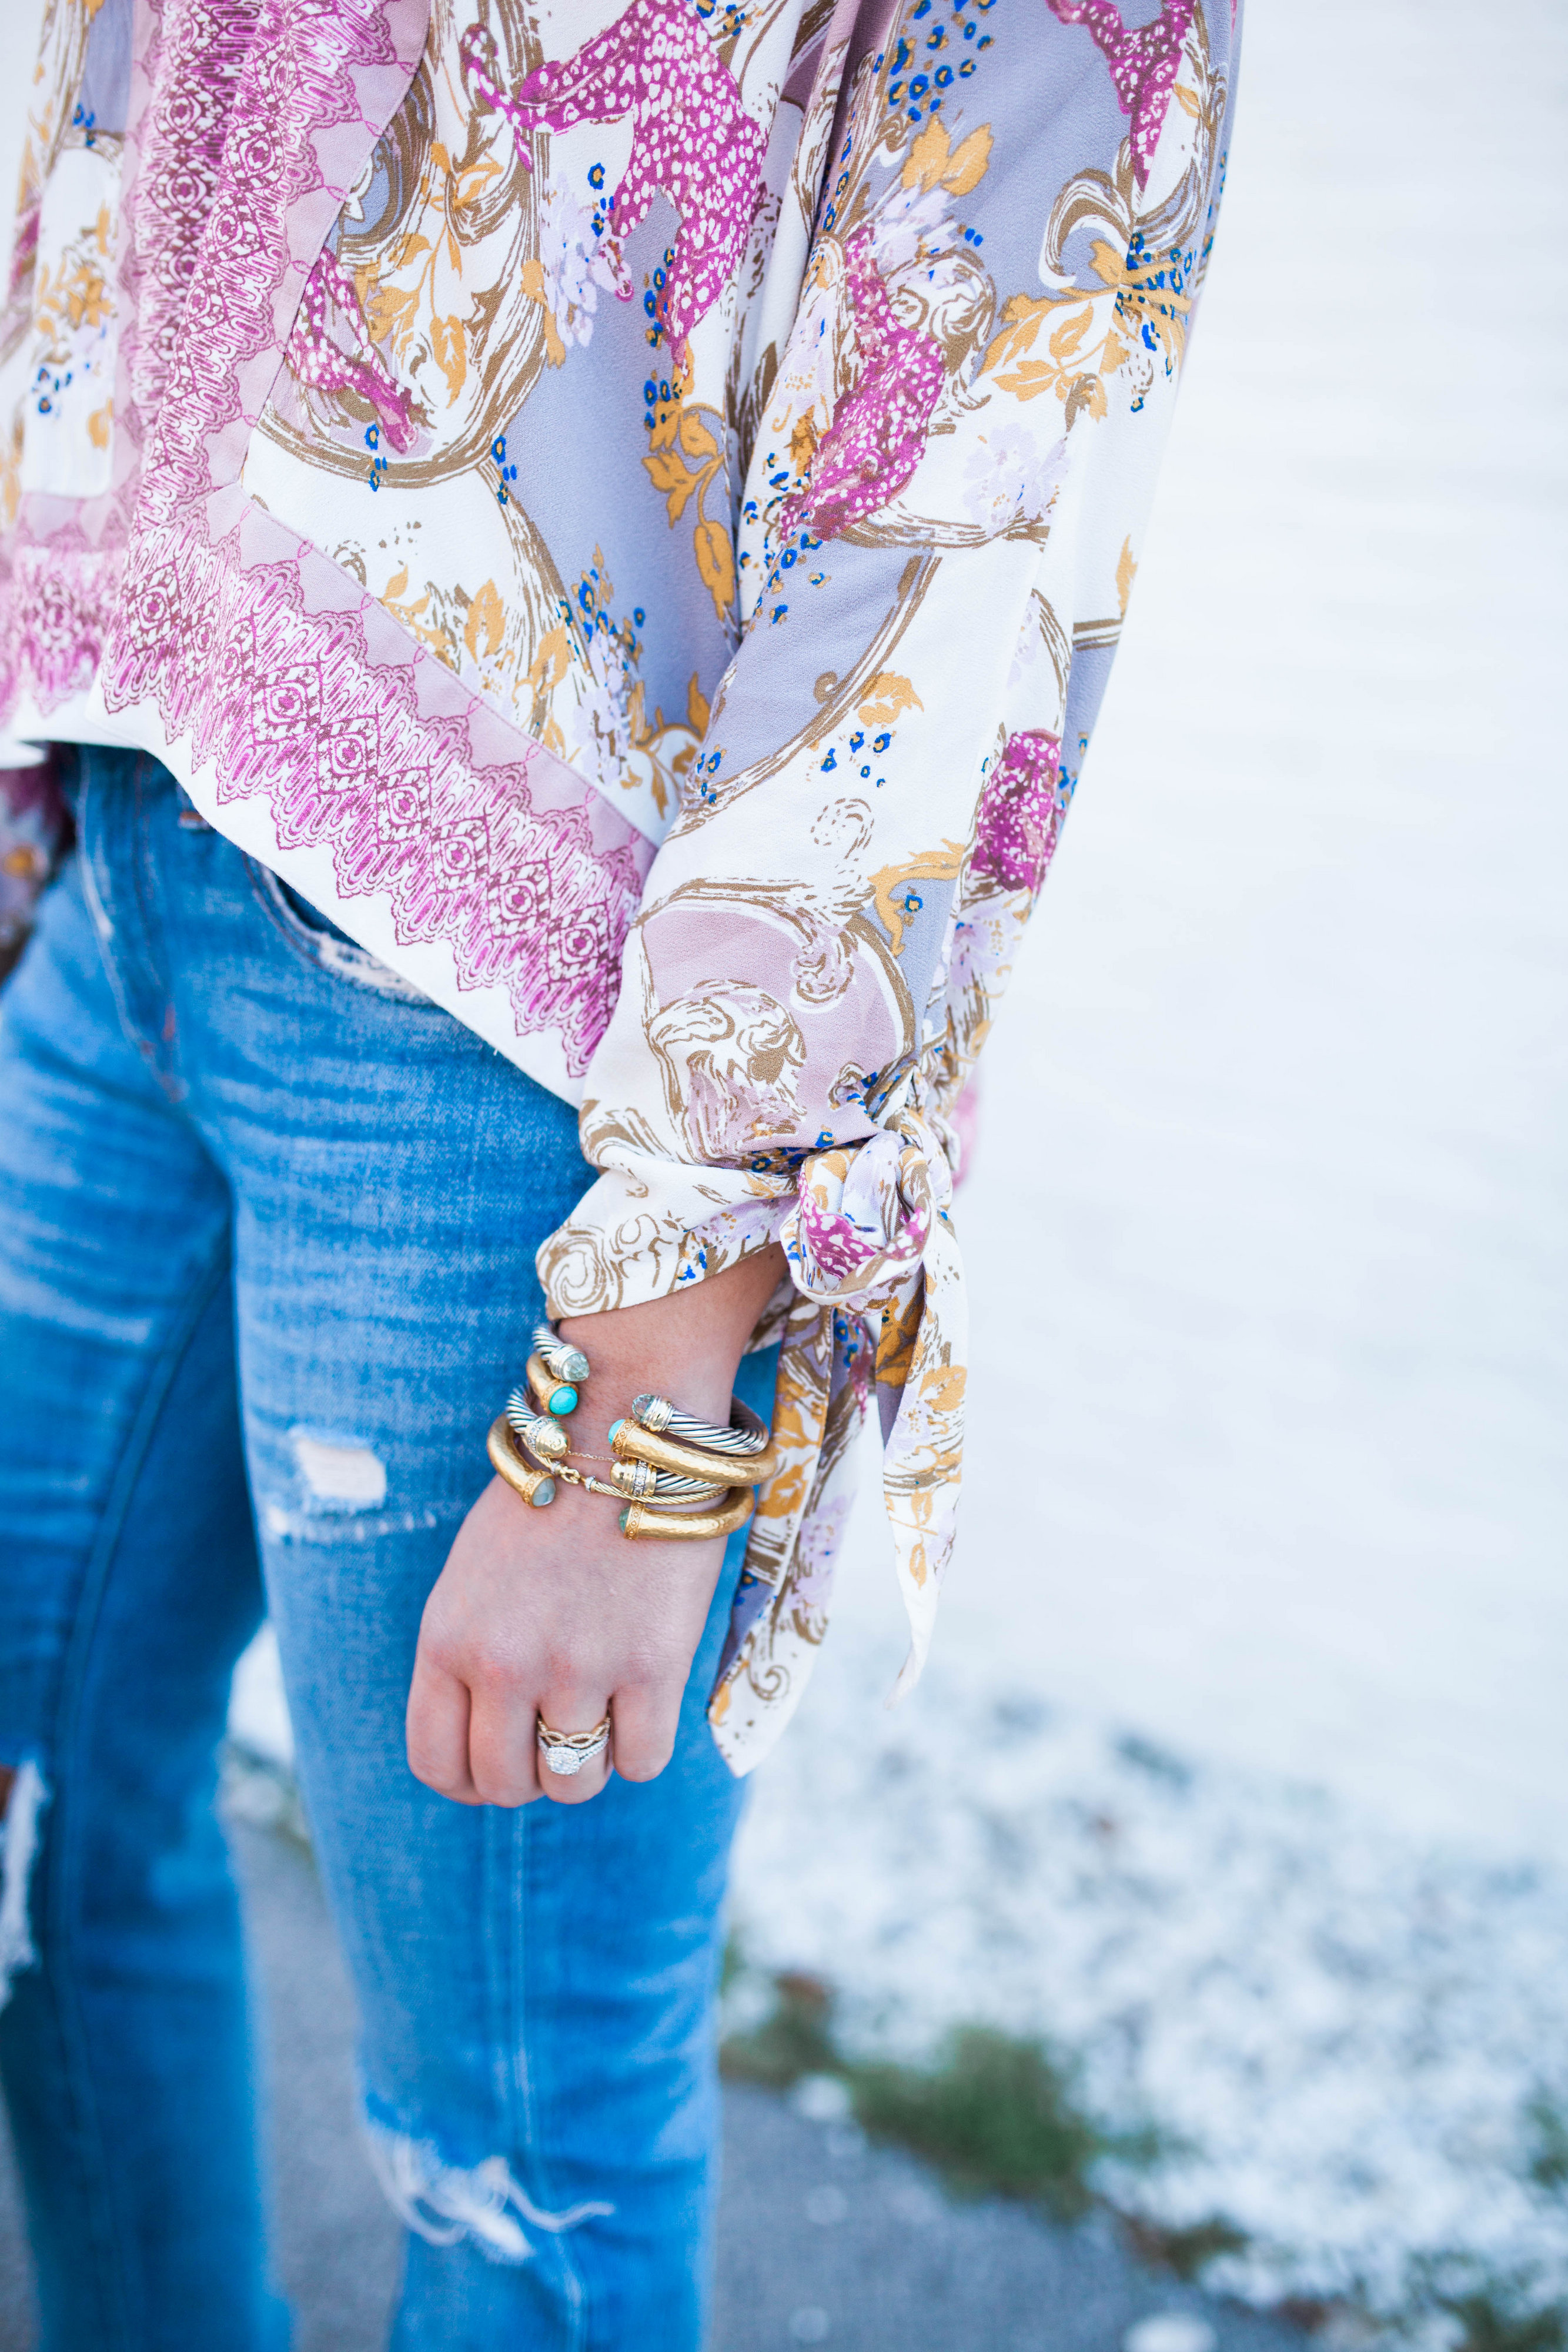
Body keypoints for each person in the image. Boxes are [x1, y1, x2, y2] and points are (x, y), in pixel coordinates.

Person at [0, 0, 1242, 2343]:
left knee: (512, 2141)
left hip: (528, 1055)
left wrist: (646, 1398)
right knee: (37, 1840)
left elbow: (980, 453)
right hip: (115, 857)